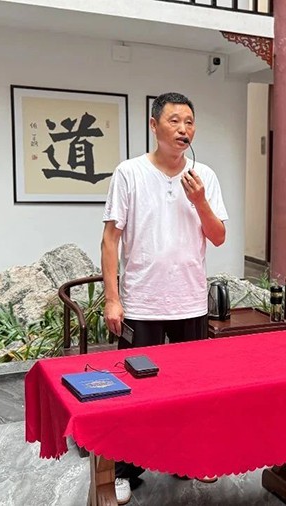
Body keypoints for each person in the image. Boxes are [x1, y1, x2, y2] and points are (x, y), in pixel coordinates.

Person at [101, 92, 229, 504]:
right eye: (174, 121)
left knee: (191, 389)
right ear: (154, 126)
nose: (183, 129)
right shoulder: (130, 173)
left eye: (189, 122)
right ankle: (124, 469)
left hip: (190, 302)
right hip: (142, 303)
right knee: (133, 390)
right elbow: (110, 240)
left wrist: (200, 201)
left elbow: (218, 236)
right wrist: (112, 298)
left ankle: (187, 456)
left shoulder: (204, 176)